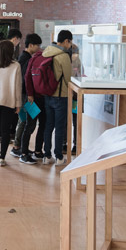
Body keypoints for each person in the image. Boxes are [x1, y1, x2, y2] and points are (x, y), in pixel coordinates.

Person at [42, 30, 73, 166]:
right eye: (70, 42)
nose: (70, 45)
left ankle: (47, 156)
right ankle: (59, 157)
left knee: (48, 126)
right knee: (60, 128)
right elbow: (68, 79)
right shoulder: (64, 56)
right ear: (66, 41)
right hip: (61, 96)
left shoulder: (46, 52)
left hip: (47, 95)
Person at [11, 33, 42, 160]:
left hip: (24, 94)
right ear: (30, 45)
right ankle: (18, 148)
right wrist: (29, 94)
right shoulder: (26, 58)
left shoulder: (24, 57)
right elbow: (25, 79)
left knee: (25, 121)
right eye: (37, 45)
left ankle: (19, 146)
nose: (39, 48)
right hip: (25, 95)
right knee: (26, 122)